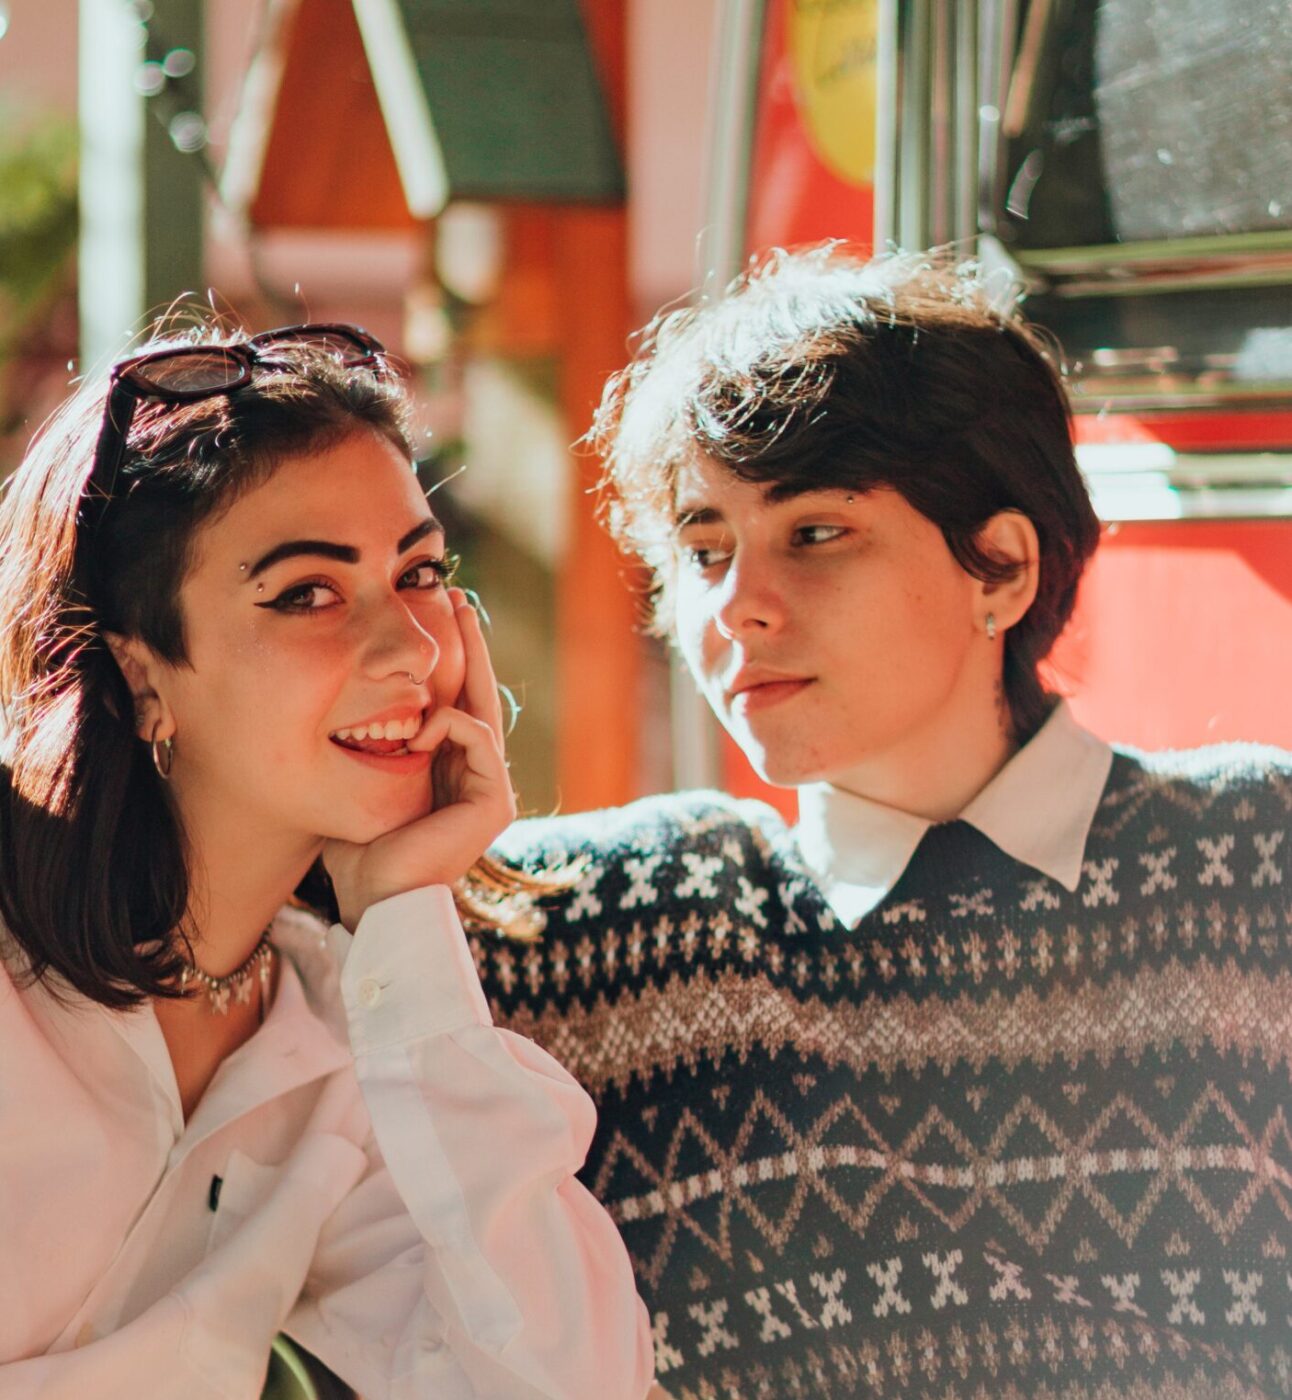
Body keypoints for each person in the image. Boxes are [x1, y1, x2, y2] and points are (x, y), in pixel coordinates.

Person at [481, 248, 1292, 1399]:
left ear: (999, 569)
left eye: (814, 532)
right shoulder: (588, 919)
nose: (734, 605)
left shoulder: (1258, 852)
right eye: (704, 549)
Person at [0, 322, 654, 1399]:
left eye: (422, 573)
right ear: (141, 670)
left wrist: (406, 914)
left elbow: (564, 1380)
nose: (409, 647)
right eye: (307, 591)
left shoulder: (345, 1042)